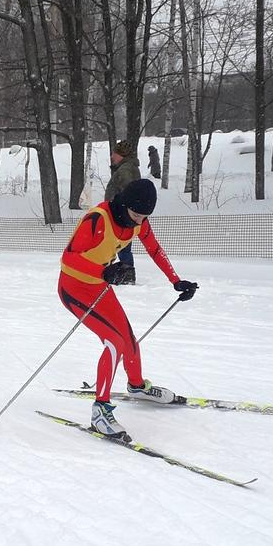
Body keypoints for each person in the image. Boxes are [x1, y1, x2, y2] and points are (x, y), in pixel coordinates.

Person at [58, 178, 198, 440]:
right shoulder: (98, 219)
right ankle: (100, 410)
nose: (138, 221)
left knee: (129, 339)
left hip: (98, 287)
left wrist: (176, 280)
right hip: (73, 287)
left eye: (144, 217)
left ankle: (137, 387)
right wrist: (104, 271)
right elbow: (68, 258)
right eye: (135, 215)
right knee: (114, 341)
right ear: (125, 204)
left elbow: (155, 249)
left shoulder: (140, 222)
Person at [103, 140, 142, 285]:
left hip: (121, 215)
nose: (112, 156)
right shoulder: (127, 167)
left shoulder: (126, 170)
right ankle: (124, 272)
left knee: (122, 244)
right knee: (120, 244)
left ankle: (127, 274)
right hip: (121, 213)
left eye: (114, 153)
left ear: (121, 155)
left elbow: (127, 191)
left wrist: (121, 209)